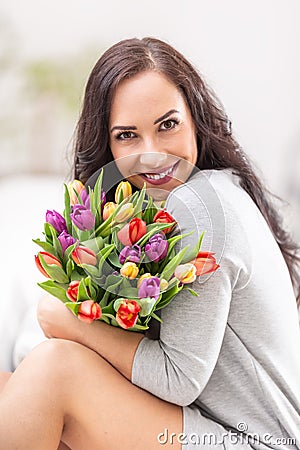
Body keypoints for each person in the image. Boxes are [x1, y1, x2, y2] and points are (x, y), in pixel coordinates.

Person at [0, 37, 299, 450]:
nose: (152, 154)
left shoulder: (202, 206)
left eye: (167, 125)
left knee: (54, 372)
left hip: (257, 440)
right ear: (107, 143)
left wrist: (65, 321)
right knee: (11, 390)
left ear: (195, 119)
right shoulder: (151, 210)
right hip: (197, 424)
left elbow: (179, 379)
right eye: (128, 136)